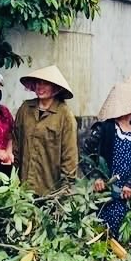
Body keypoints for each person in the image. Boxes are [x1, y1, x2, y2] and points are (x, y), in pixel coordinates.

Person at [89, 80, 131, 240]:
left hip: (128, 194)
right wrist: (97, 177)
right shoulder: (105, 129)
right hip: (106, 193)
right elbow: (86, 155)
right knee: (104, 235)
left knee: (125, 234)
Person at [13, 65, 79, 196]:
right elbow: (16, 143)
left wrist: (64, 189)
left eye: (45, 84)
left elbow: (69, 155)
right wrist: (13, 178)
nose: (40, 87)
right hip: (23, 186)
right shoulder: (25, 109)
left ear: (55, 88)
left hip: (50, 189)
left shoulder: (64, 115)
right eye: (38, 83)